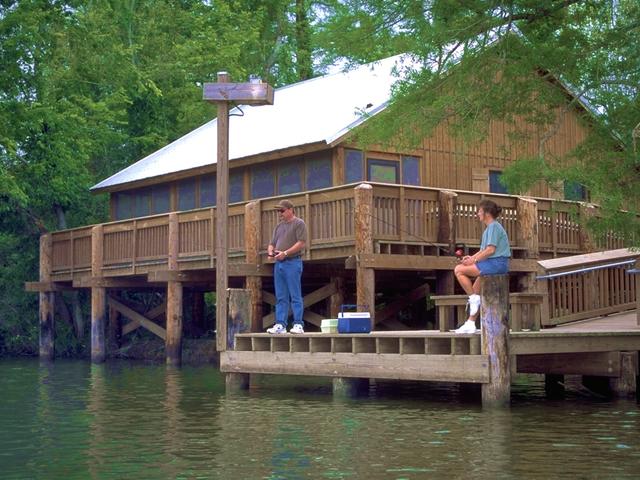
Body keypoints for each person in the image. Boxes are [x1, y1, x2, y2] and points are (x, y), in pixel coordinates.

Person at [453, 199, 511, 334]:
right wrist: (471, 259)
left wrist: (473, 260)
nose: (477, 214)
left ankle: (473, 299)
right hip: (492, 264)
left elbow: (490, 250)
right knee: (475, 290)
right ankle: (470, 322)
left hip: (496, 264)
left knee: (459, 270)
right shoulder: (489, 229)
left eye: (479, 211)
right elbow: (483, 251)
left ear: (486, 213)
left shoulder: (493, 227)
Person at [266, 199, 308, 334]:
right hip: (279, 264)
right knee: (281, 296)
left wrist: (285, 253)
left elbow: (301, 243)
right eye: (279, 211)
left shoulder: (299, 223)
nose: (280, 213)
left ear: (290, 210)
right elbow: (271, 243)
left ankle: (298, 324)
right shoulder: (278, 226)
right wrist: (271, 252)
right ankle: (280, 324)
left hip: (293, 262)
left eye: (282, 211)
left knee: (295, 295)